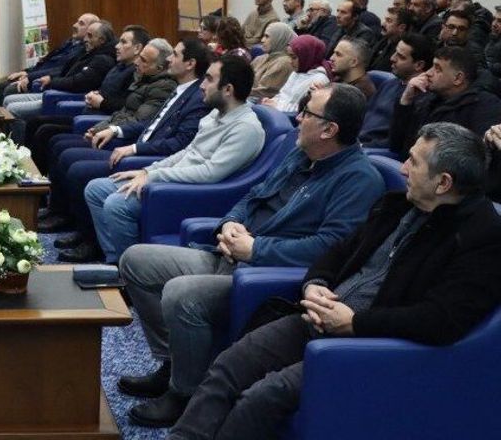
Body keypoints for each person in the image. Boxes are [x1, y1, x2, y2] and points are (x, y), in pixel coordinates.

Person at [168, 123, 501, 440]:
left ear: (443, 183)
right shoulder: (397, 206)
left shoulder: (481, 238)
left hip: (368, 347)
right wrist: (315, 283)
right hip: (319, 318)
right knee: (229, 365)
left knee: (261, 396)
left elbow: (440, 320)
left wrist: (354, 323)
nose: (402, 169)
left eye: (413, 162)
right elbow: (338, 251)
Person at [119, 83, 380, 428]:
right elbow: (253, 195)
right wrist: (230, 223)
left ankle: (185, 394)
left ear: (329, 130)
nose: (298, 119)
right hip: (232, 254)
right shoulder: (301, 154)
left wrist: (255, 249)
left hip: (265, 278)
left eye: (307, 113)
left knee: (181, 294)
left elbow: (328, 248)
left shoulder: (359, 180)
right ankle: (174, 364)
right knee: (135, 261)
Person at [82, 55, 265, 264]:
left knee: (116, 204)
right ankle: (114, 260)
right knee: (96, 189)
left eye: (209, 79)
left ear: (228, 89)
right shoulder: (216, 113)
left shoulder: (246, 128)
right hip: (172, 180)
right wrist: (148, 170)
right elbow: (187, 152)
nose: (201, 86)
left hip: (193, 193)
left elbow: (210, 173)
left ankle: (127, 269)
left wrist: (154, 176)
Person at [45, 39, 211, 251]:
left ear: (190, 64)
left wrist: (134, 149)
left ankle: (90, 240)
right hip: (137, 146)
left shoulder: (195, 97)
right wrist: (115, 130)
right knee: (65, 150)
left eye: (176, 55)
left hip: (148, 158)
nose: (170, 58)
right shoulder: (181, 89)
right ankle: (81, 229)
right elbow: (150, 123)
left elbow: (178, 144)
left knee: (77, 167)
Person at [25, 27, 147, 176]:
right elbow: (105, 90)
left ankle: (36, 181)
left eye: (123, 42)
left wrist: (101, 102)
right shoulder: (119, 66)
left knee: (47, 132)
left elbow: (125, 106)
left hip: (101, 121)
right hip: (90, 114)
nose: (117, 46)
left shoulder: (134, 74)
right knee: (37, 123)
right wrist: (95, 94)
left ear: (137, 48)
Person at [388, 46, 501, 157]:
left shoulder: (485, 107)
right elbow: (396, 145)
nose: (428, 73)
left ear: (458, 78)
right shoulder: (428, 98)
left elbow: (480, 157)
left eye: (437, 69)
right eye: (432, 66)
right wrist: (406, 100)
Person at [3, 21, 116, 125]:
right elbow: (64, 70)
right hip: (58, 91)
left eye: (90, 36)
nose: (85, 39)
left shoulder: (103, 60)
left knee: (13, 109)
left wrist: (52, 81)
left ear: (102, 40)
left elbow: (77, 82)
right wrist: (47, 77)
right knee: (8, 100)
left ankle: (12, 140)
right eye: (86, 35)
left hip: (66, 97)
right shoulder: (87, 51)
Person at [0, 14, 99, 104]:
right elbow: (46, 62)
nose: (75, 25)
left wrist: (30, 77)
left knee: (10, 89)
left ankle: (5, 120)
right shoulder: (70, 42)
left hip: (45, 80)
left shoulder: (83, 50)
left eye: (81, 24)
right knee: (3, 84)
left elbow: (59, 69)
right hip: (37, 74)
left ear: (90, 30)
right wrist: (26, 72)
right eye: (77, 22)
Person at [359, 33, 434, 151]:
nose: (392, 58)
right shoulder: (389, 83)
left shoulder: (422, 99)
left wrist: (362, 147)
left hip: (374, 152)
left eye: (401, 57)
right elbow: (365, 115)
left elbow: (397, 141)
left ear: (419, 65)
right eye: (395, 52)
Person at [265, 35, 328, 113]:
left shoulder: (319, 80)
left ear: (306, 57)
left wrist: (276, 106)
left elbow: (303, 111)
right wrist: (271, 101)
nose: (290, 61)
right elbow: (282, 95)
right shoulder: (297, 72)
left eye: (294, 57)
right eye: (289, 56)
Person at [249, 22, 295, 102]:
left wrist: (238, 91)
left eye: (267, 37)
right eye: (263, 36)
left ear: (279, 39)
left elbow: (265, 92)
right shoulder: (260, 58)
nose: (262, 40)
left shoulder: (285, 63)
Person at [368, 7, 413, 73]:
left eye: (389, 21)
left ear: (401, 27)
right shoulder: (384, 40)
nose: (383, 24)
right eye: (385, 20)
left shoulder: (402, 49)